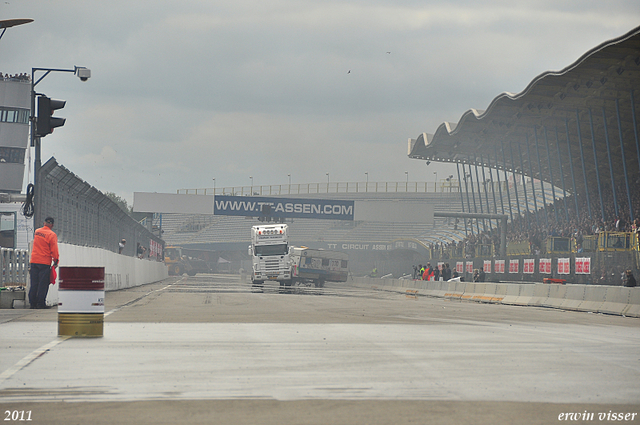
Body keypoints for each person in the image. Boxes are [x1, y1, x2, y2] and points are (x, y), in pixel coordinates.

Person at [29, 217, 59, 309]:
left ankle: (32, 303)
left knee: (34, 283)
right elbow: (54, 249)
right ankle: (40, 303)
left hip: (34, 261)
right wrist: (56, 260)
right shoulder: (52, 234)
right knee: (43, 283)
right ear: (52, 225)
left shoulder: (37, 232)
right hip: (44, 262)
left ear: (44, 223)